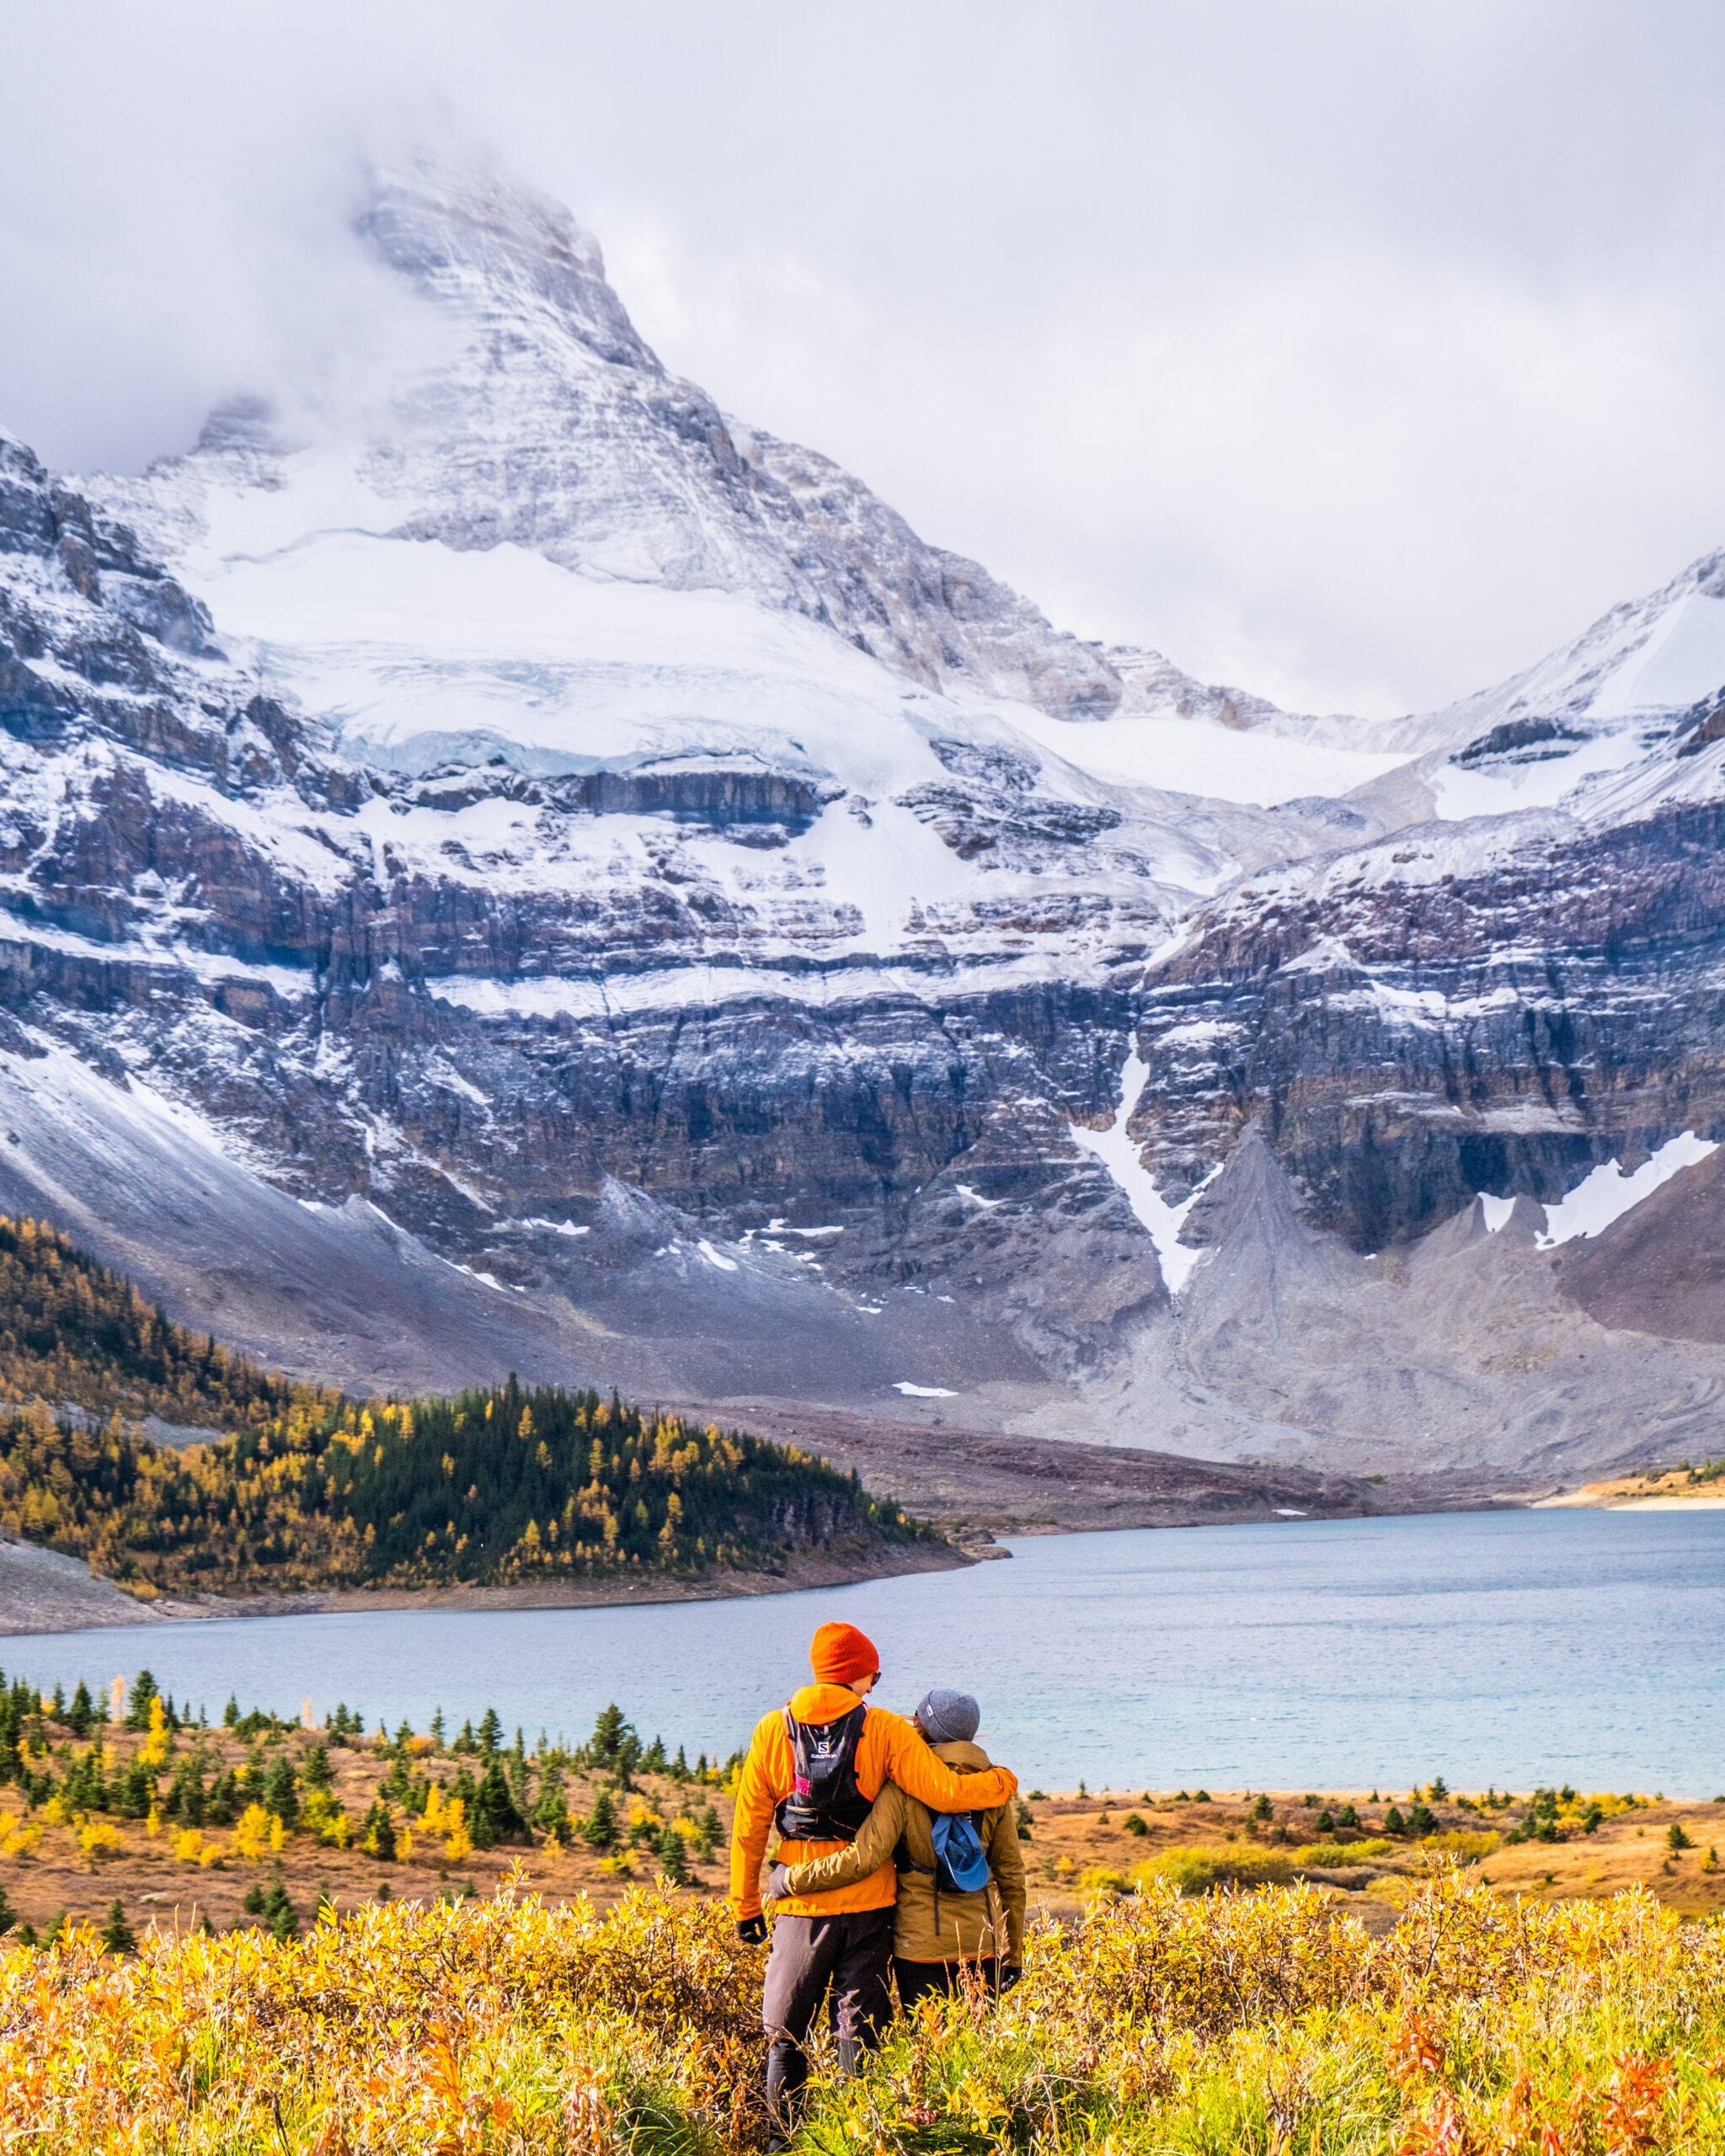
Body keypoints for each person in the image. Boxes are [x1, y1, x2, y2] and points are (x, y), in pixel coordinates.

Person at [730, 1622, 1019, 2148]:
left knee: (785, 2036)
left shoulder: (773, 1730)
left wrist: (747, 1905)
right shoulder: (884, 1728)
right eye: (874, 1675)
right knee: (856, 2034)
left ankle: (780, 2142)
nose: (875, 1686)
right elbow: (948, 1792)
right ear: (857, 1673)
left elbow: (749, 1827)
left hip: (801, 1908)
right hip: (872, 1908)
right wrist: (1002, 1782)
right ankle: (856, 2139)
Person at [765, 1687, 1025, 2007]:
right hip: (985, 1945)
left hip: (920, 1948)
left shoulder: (902, 1787)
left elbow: (862, 1858)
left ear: (922, 1726)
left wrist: (790, 1880)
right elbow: (1011, 1879)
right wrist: (1014, 1954)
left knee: (927, 2046)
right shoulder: (993, 1788)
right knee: (983, 2051)